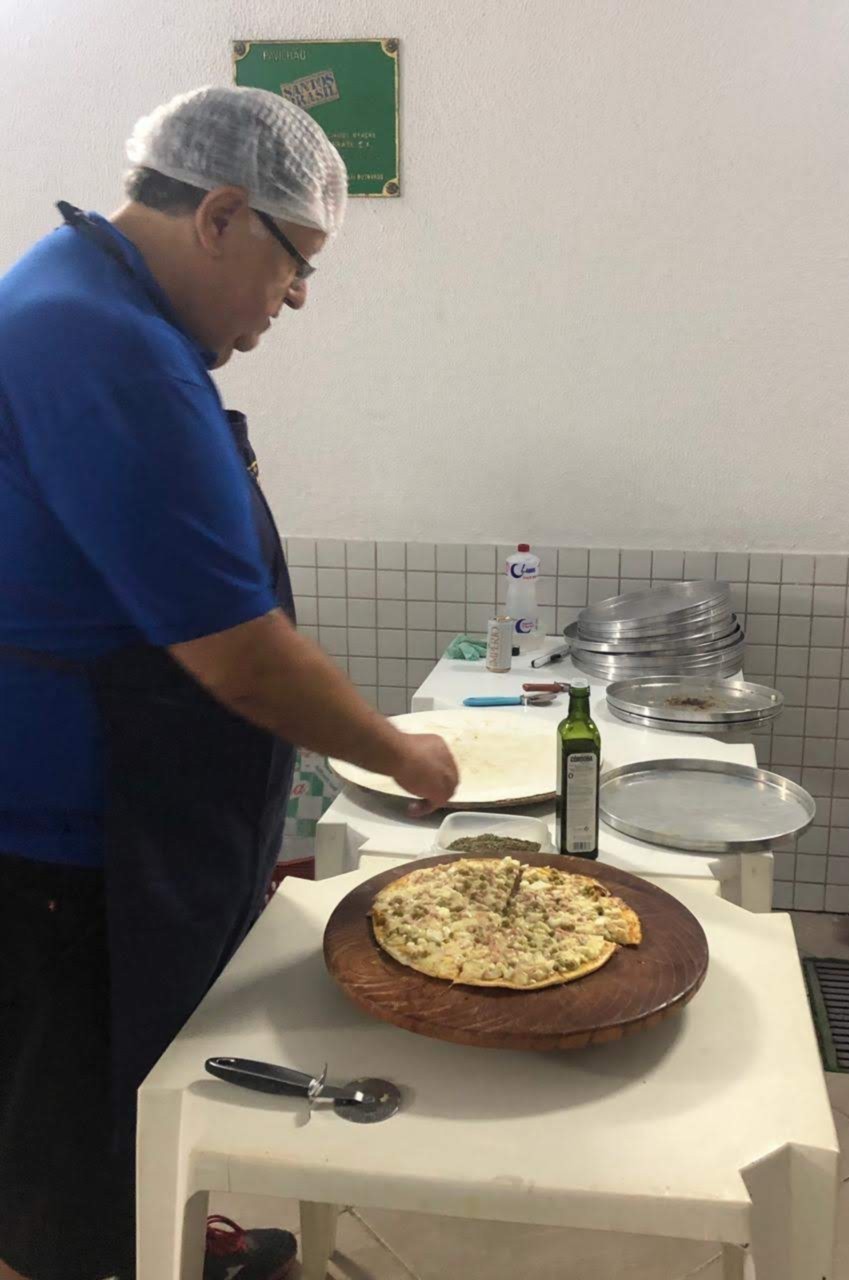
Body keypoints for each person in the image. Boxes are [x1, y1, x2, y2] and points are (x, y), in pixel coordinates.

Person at [0, 86, 458, 1280]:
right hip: (69, 834)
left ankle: (156, 1235)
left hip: (124, 805)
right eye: (295, 261)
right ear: (217, 215)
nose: (294, 297)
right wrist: (402, 755)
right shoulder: (103, 345)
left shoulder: (87, 297)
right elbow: (238, 654)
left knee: (127, 1094)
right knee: (64, 1141)